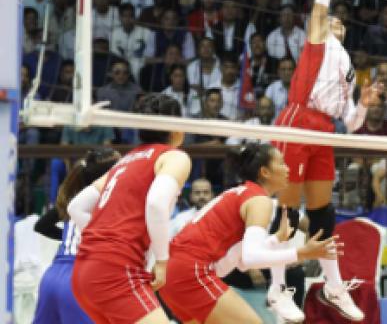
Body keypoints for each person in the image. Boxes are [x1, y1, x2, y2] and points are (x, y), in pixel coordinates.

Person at [270, 0, 382, 322]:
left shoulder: (348, 69)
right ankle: (278, 287)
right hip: (297, 119)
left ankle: (334, 286)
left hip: (325, 130)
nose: (338, 24)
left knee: (322, 213)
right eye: (333, 20)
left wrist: (364, 104)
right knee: (286, 210)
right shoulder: (317, 39)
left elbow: (351, 123)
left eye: (342, 25)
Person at [159, 143, 338, 324]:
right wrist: (302, 253)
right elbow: (251, 258)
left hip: (172, 271)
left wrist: (276, 239)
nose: (287, 168)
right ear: (265, 172)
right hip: (191, 271)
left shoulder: (241, 193)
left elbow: (242, 261)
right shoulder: (258, 199)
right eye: (281, 163)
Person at [69, 94, 192, 324]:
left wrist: (102, 242)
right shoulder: (174, 157)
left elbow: (76, 207)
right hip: (116, 270)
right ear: (177, 127)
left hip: (83, 270)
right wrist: (162, 261)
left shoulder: (125, 161)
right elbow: (156, 203)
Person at [33, 148, 120, 324]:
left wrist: (67, 237)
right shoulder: (106, 202)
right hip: (79, 278)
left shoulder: (71, 200)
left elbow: (41, 225)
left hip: (52, 276)